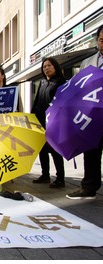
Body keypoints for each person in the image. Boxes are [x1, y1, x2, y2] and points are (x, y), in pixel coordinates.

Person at [66, 24, 103, 200]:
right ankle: (89, 186)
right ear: (97, 41)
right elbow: (78, 87)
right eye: (102, 40)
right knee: (91, 152)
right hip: (91, 115)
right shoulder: (87, 62)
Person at [31, 57, 66, 188]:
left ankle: (60, 178)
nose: (46, 68)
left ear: (55, 67)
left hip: (54, 121)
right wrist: (32, 115)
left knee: (55, 150)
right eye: (44, 66)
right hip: (40, 120)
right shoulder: (42, 82)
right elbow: (37, 100)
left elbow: (62, 102)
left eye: (49, 65)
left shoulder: (60, 82)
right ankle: (45, 175)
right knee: (42, 149)